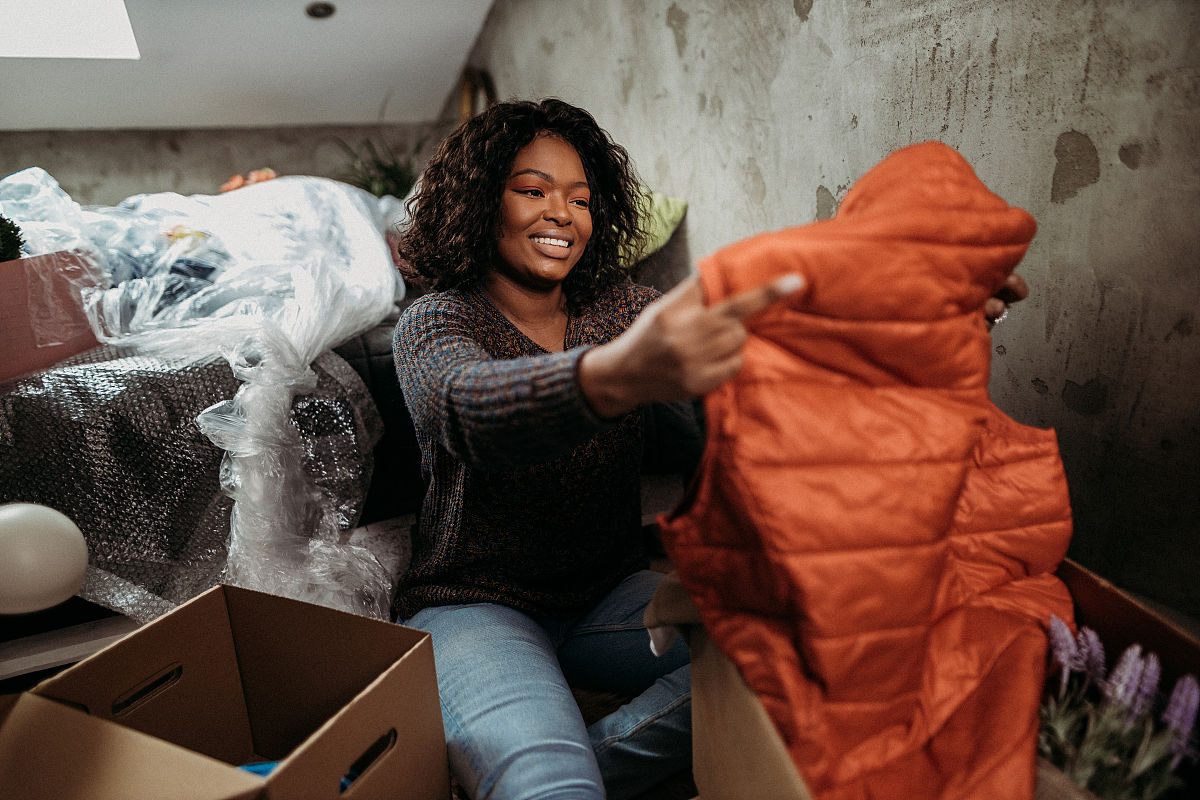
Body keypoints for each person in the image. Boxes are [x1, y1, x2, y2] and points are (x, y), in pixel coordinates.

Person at [392, 98, 1026, 800]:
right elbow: (464, 407)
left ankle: (577, 761)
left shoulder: (624, 310)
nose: (561, 215)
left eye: (580, 198)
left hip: (608, 594)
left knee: (818, 666)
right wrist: (618, 373)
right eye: (532, 191)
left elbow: (783, 336)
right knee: (552, 789)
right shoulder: (435, 319)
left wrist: (927, 300)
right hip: (474, 604)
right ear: (483, 200)